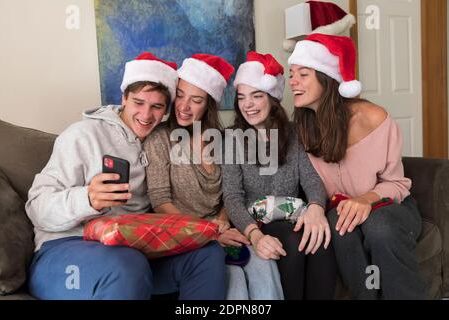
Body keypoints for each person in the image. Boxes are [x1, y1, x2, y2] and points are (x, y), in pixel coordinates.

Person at [25, 52, 226, 300]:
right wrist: (87, 199)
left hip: (133, 249)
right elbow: (37, 207)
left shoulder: (159, 142)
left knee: (208, 253)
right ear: (124, 98)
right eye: (138, 103)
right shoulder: (82, 135)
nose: (146, 114)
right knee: (128, 264)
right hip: (66, 250)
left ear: (166, 110)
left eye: (156, 106)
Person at [288, 33, 427, 299]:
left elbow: (397, 184)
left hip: (390, 208)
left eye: (303, 74)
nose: (292, 81)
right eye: (291, 73)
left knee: (379, 227)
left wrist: (365, 200)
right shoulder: (302, 130)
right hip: (341, 211)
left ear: (326, 79)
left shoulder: (373, 118)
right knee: (340, 225)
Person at [144, 53, 283, 300]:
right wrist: (209, 231)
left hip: (225, 228)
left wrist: (222, 220)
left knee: (265, 266)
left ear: (209, 104)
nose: (184, 107)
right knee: (234, 281)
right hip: (186, 235)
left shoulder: (225, 139)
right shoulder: (160, 139)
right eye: (181, 95)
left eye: (195, 100)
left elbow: (233, 192)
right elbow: (159, 201)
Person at [222, 51, 337, 300]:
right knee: (293, 245)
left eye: (256, 95)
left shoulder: (294, 134)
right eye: (241, 97)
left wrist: (317, 208)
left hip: (293, 214)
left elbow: (310, 178)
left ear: (272, 98)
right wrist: (255, 234)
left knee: (322, 239)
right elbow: (232, 197)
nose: (247, 105)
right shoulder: (232, 139)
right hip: (256, 222)